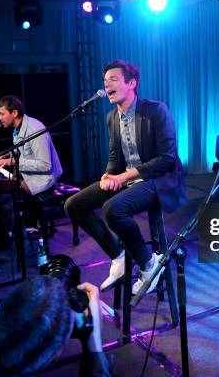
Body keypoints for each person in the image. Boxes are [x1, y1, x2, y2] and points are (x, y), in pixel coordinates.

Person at [65, 60, 187, 296]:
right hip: (128, 178)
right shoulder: (112, 117)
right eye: (104, 81)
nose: (106, 84)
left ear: (131, 83)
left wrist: (126, 175)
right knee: (74, 205)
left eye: (113, 79)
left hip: (158, 180)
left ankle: (148, 264)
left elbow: (168, 158)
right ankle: (118, 255)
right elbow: (114, 155)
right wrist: (109, 174)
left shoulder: (155, 110)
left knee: (113, 209)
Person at [0, 95, 63, 248]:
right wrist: (3, 154)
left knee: (2, 198)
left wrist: (12, 161)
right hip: (29, 174)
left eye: (1, 114)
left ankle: (20, 244)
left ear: (14, 113)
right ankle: (2, 239)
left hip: (44, 179)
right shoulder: (17, 128)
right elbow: (22, 152)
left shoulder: (34, 128)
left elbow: (45, 165)